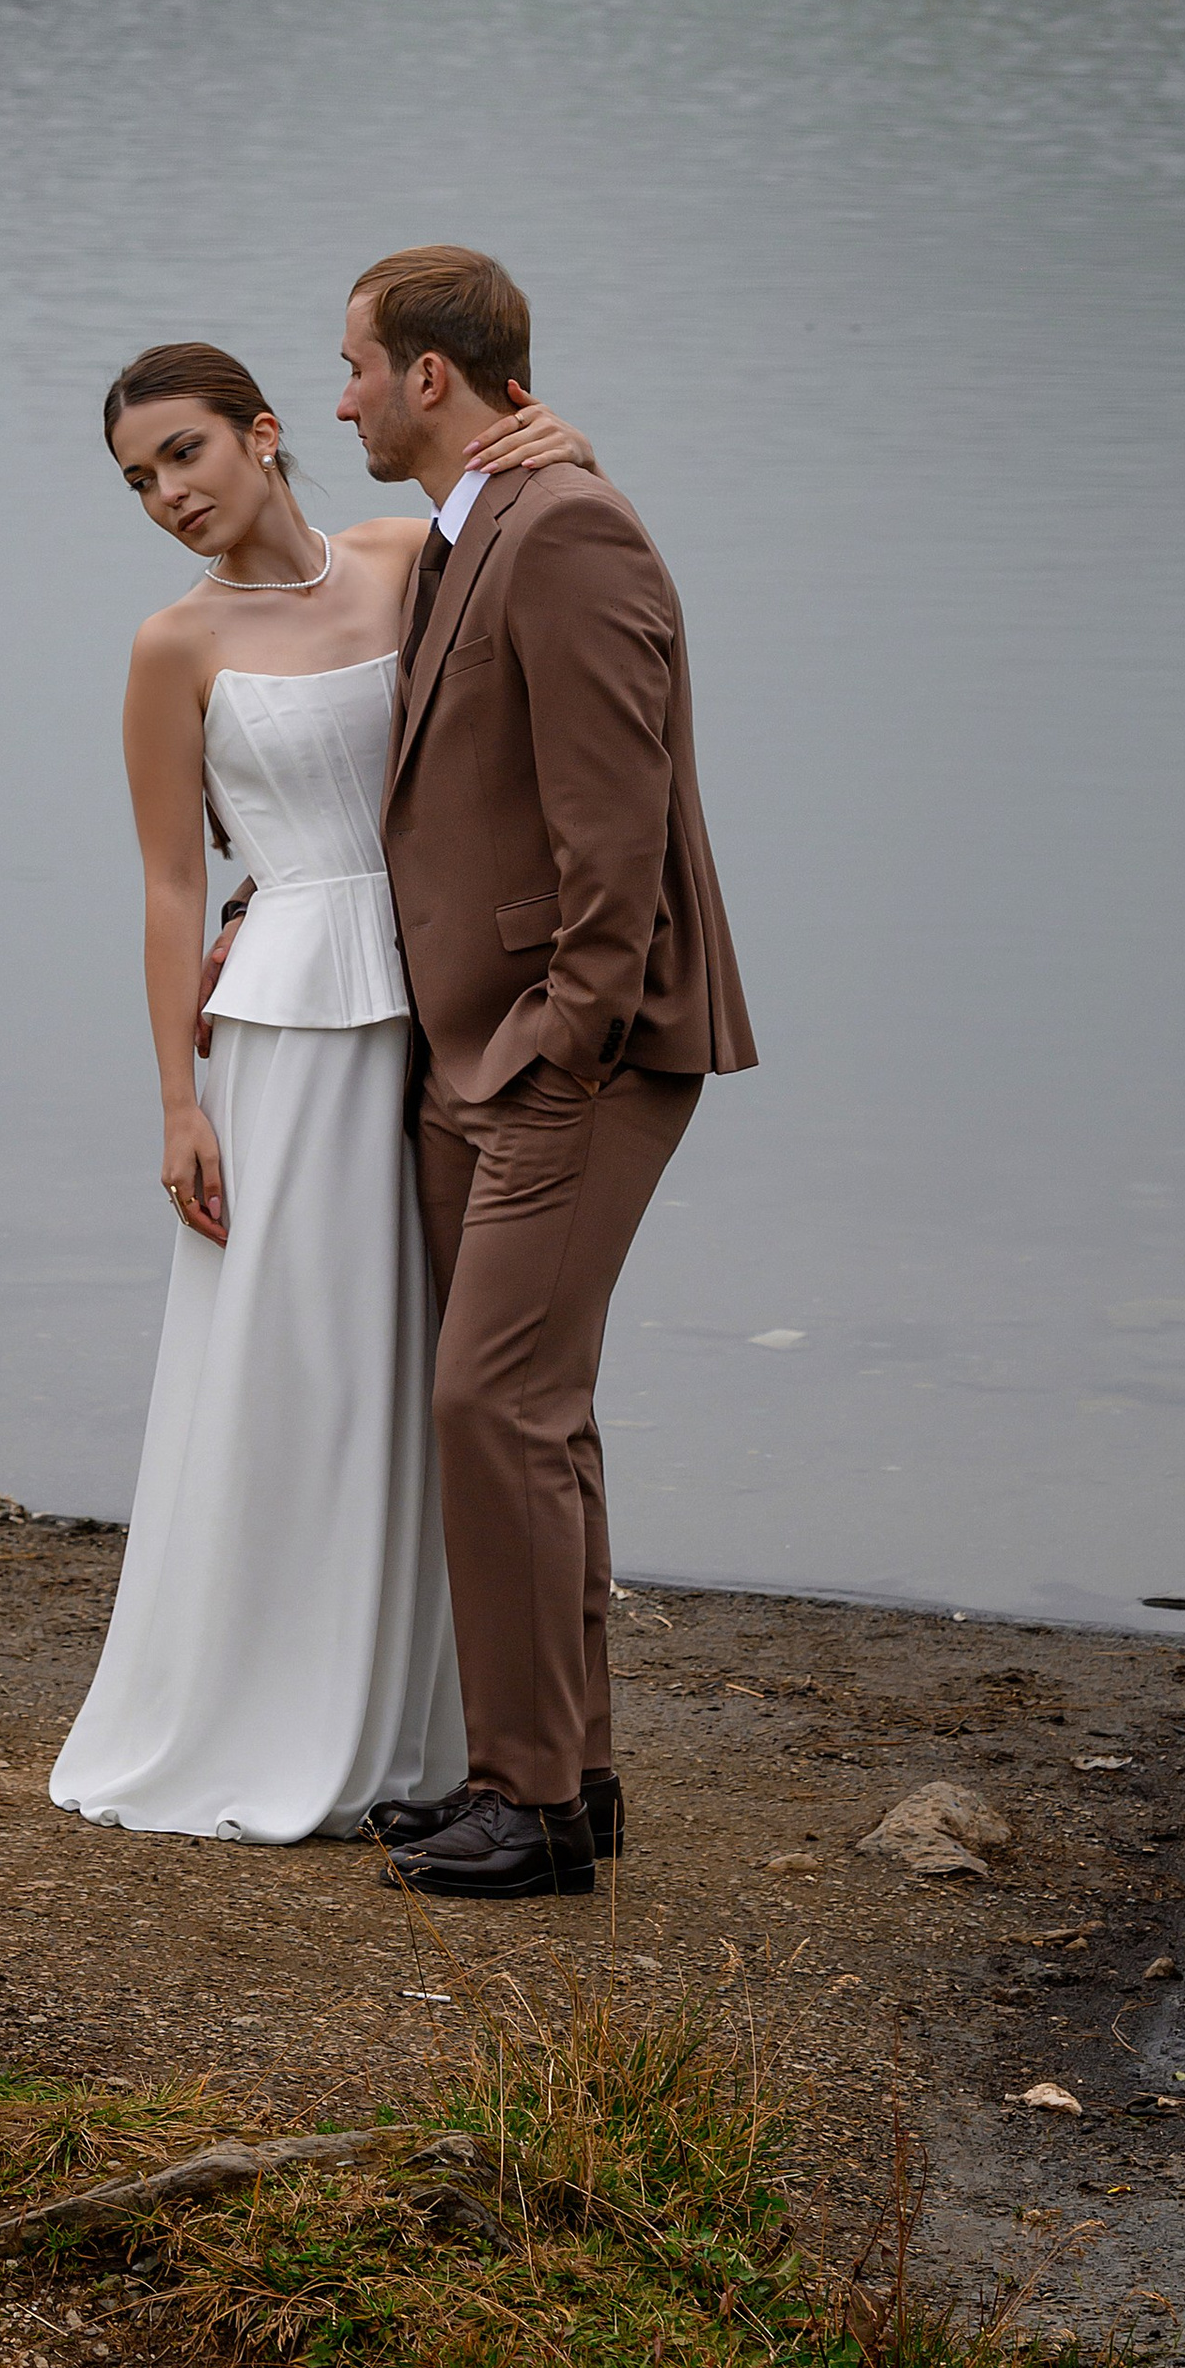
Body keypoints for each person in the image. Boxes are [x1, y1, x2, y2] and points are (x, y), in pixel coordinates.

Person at [49, 341, 598, 1844]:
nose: (166, 494)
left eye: (184, 454)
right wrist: (176, 1103)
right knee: (289, 1361)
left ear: (266, 436)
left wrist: (552, 445)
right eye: (138, 478)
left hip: (440, 1009)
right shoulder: (174, 645)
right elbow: (172, 889)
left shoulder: (403, 558)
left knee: (423, 1360)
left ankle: (439, 1734)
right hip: (290, 1022)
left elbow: (551, 565)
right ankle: (263, 1707)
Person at [331, 247, 756, 1901]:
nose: (344, 394)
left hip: (573, 1052)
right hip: (482, 1043)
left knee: (489, 1401)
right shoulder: (474, 522)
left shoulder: (568, 529)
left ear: (432, 375)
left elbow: (621, 834)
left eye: (357, 366)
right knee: (537, 1417)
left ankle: (524, 1801)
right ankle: (563, 1782)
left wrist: (553, 1049)